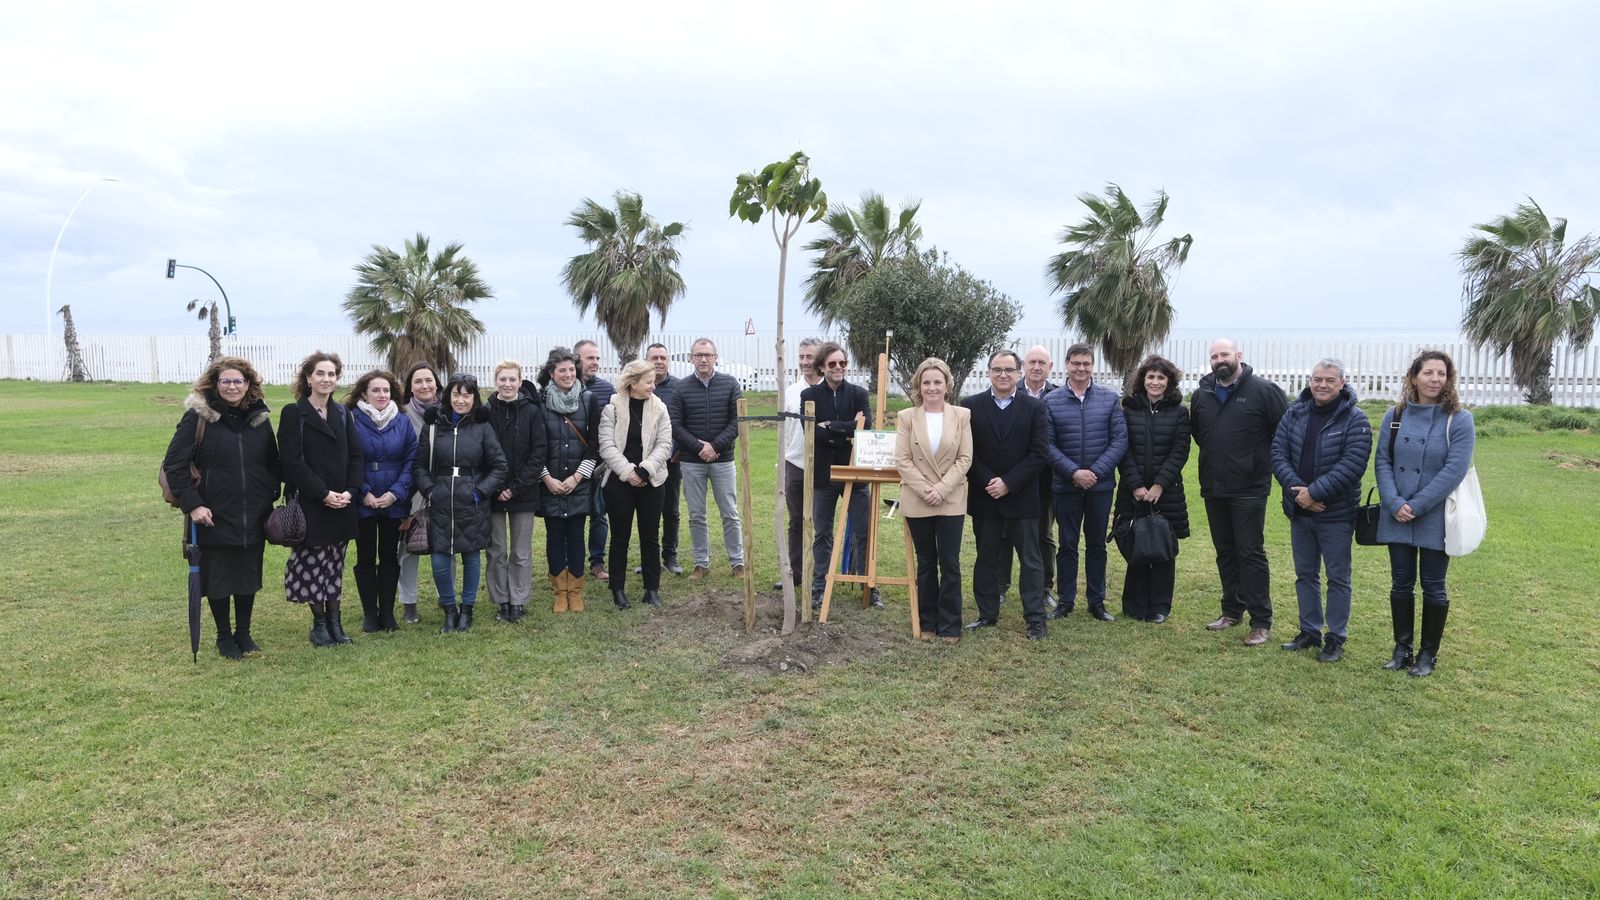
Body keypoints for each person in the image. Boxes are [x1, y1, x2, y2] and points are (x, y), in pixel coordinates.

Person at [162, 356, 280, 659]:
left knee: (247, 575)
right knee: (218, 576)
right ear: (215, 384)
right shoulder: (198, 418)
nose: (232, 386)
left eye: (238, 381)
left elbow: (272, 463)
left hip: (252, 510)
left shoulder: (259, 418)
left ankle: (244, 633)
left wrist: (268, 494)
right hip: (212, 512)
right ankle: (224, 636)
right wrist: (194, 505)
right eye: (225, 381)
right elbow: (174, 465)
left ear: (248, 385)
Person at [1375, 350, 1475, 677]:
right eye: (1428, 373)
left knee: (1433, 585)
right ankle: (1402, 648)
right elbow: (1383, 462)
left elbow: (1454, 470)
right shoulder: (1395, 415)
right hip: (1396, 510)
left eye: (1441, 374)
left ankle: (1427, 654)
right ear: (1414, 376)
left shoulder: (1459, 419)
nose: (1435, 379)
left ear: (1449, 379)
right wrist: (1393, 502)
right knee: (1400, 582)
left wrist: (1416, 505)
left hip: (1435, 514)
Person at [1270, 359, 1372, 662]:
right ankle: (1309, 630)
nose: (1322, 385)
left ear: (1342, 383)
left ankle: (1335, 638)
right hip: (1300, 512)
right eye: (1317, 379)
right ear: (1309, 381)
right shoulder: (1294, 413)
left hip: (1336, 514)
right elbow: (1277, 453)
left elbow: (1353, 464)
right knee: (1305, 574)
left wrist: (1313, 493)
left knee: (1338, 577)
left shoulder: (1355, 419)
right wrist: (1301, 496)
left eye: (1330, 380)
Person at [1191, 338, 1289, 646]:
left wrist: (1255, 463)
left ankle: (1261, 621)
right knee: (1226, 552)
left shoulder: (1263, 391)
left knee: (1250, 552)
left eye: (1225, 354)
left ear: (1239, 356)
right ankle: (1231, 610)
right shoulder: (1201, 395)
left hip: (1249, 487)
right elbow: (1201, 434)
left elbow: (1283, 433)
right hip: (1213, 485)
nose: (1220, 359)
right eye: (1214, 356)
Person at [961, 349, 1050, 640]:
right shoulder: (970, 407)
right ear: (988, 372)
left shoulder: (1035, 408)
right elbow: (966, 454)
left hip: (1022, 496)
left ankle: (1035, 618)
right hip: (985, 495)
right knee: (986, 556)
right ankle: (987, 614)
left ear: (1018, 372)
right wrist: (990, 481)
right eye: (997, 369)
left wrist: (1009, 483)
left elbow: (1039, 454)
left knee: (1031, 559)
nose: (1003, 375)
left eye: (1009, 370)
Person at [279, 351, 364, 647]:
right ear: (308, 378)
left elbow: (356, 456)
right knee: (313, 564)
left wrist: (350, 492)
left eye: (331, 374)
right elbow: (291, 462)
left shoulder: (343, 413)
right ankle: (319, 625)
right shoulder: (294, 413)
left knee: (334, 564)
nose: (326, 379)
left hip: (342, 502)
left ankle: (335, 623)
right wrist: (323, 494)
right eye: (320, 374)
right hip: (311, 503)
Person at [413, 373, 508, 633]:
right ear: (447, 396)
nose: (461, 400)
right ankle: (449, 609)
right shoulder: (433, 426)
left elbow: (500, 466)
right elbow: (420, 465)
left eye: (467, 395)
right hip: (441, 499)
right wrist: (430, 490)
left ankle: (467, 609)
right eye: (456, 394)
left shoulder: (482, 427)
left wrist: (480, 492)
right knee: (440, 560)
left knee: (471, 557)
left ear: (475, 398)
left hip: (472, 501)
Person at [1042, 342, 1128, 623]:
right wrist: (1073, 472)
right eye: (1076, 363)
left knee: (1097, 546)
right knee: (1067, 545)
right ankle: (1066, 601)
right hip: (1066, 486)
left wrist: (1094, 472)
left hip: (1100, 486)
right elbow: (1047, 444)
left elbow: (1119, 441)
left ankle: (1096, 601)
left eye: (1086, 364)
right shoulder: (1051, 401)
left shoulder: (1109, 399)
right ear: (1067, 364)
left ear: (1093, 366)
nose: (1081, 368)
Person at [895, 357, 973, 644]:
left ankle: (951, 624)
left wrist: (942, 488)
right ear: (918, 385)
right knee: (926, 562)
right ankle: (927, 621)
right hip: (918, 500)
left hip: (950, 498)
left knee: (949, 562)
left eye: (937, 382)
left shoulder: (962, 416)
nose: (932, 387)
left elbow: (965, 458)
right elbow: (901, 459)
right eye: (926, 382)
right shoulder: (906, 417)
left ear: (947, 385)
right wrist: (926, 489)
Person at [1114, 355, 1191, 623]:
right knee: (1136, 541)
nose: (1155, 382)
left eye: (1161, 377)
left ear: (1169, 381)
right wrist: (1136, 485)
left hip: (1166, 492)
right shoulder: (1128, 410)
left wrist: (1159, 485)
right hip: (1132, 490)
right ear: (1142, 380)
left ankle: (1159, 606)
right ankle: (1134, 605)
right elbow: (1122, 449)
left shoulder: (1180, 412)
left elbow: (1180, 450)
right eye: (1150, 377)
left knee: (1162, 546)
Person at [800, 342, 875, 611]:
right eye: (832, 364)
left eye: (842, 363)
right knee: (823, 533)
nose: (838, 368)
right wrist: (847, 430)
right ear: (822, 366)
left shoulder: (858, 393)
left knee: (864, 531)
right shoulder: (809, 395)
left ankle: (868, 585)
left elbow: (866, 427)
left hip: (855, 471)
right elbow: (811, 431)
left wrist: (831, 426)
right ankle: (820, 586)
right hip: (824, 475)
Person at [598, 360, 675, 610]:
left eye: (654, 381)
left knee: (650, 536)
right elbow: (606, 446)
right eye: (649, 381)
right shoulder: (612, 408)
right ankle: (617, 589)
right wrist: (629, 472)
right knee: (620, 537)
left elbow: (665, 444)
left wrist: (645, 469)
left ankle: (651, 589)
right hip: (620, 481)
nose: (653, 386)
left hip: (652, 480)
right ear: (633, 383)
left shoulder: (660, 408)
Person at [667, 337, 746, 581]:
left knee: (730, 513)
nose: (703, 359)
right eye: (698, 355)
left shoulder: (730, 384)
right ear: (691, 358)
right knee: (696, 514)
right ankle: (701, 563)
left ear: (716, 357)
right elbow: (675, 425)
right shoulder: (680, 388)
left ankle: (738, 562)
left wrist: (715, 447)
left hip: (723, 460)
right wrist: (699, 447)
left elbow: (737, 421)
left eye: (708, 355)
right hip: (691, 462)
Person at [346, 369, 418, 634]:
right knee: (365, 555)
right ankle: (369, 614)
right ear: (364, 393)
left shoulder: (402, 420)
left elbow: (412, 459)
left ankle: (387, 613)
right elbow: (347, 458)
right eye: (375, 390)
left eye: (386, 390)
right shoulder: (351, 419)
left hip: (393, 499)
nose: (381, 395)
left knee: (389, 555)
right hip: (363, 498)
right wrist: (362, 491)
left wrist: (396, 492)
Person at [537, 348, 602, 613]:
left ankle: (575, 591)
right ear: (551, 373)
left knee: (576, 536)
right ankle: (558, 592)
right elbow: (535, 445)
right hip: (549, 480)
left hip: (579, 481)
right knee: (554, 537)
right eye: (561, 370)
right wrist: (546, 477)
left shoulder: (588, 400)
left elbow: (596, 443)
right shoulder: (540, 402)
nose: (567, 374)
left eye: (571, 370)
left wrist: (578, 476)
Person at [485, 359, 546, 624]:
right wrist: (497, 486)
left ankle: (519, 599)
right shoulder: (485, 411)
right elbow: (480, 451)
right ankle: (502, 600)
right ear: (495, 381)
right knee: (496, 550)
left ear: (520, 382)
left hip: (524, 491)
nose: (507, 384)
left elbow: (539, 452)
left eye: (512, 379)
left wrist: (515, 487)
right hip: (492, 491)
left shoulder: (532, 412)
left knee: (521, 552)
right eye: (503, 379)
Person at [397, 362, 441, 624]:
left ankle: (444, 594)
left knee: (445, 546)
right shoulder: (402, 414)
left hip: (442, 489)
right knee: (409, 547)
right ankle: (409, 602)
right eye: (418, 381)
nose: (424, 386)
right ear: (410, 386)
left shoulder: (449, 410)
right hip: (410, 489)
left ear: (436, 383)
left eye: (429, 380)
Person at [777, 337, 822, 592]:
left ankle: (820, 574)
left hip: (823, 466)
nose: (805, 362)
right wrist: (782, 463)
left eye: (810, 357)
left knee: (821, 523)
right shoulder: (791, 392)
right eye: (802, 357)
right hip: (794, 462)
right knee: (796, 520)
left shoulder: (828, 389)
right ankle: (796, 573)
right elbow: (784, 431)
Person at [645, 342, 685, 575]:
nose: (659, 361)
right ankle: (648, 557)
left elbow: (683, 422)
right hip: (642, 462)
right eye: (654, 358)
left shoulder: (679, 388)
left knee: (670, 509)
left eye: (663, 357)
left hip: (672, 459)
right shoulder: (637, 386)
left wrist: (679, 449)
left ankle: (670, 557)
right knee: (647, 511)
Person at [576, 339, 614, 582]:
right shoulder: (564, 386)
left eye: (598, 358)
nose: (595, 363)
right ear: (577, 359)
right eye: (590, 358)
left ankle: (597, 563)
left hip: (600, 465)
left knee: (599, 514)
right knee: (574, 516)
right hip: (570, 465)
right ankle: (573, 562)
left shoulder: (607, 389)